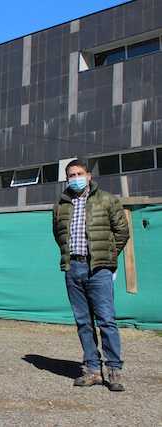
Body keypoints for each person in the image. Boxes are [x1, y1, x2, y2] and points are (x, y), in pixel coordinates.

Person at [52, 159, 129, 392]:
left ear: (89, 176)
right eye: (71, 175)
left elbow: (122, 232)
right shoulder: (61, 204)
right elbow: (58, 234)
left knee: (106, 320)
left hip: (99, 268)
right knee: (83, 322)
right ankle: (93, 370)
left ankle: (114, 370)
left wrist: (108, 257)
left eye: (79, 173)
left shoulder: (106, 199)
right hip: (73, 268)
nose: (75, 178)